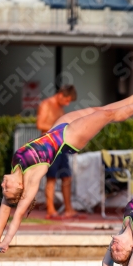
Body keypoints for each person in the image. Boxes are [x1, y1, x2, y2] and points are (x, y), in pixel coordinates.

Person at [0, 91, 133, 254]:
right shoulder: (32, 177)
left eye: (3, 187)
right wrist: (6, 242)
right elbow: (17, 214)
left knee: (100, 109)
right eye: (7, 188)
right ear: (20, 186)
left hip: (57, 127)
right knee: (108, 115)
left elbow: (4, 210)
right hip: (69, 137)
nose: (2, 184)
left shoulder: (15, 168)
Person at [37, 85, 78, 219]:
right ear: (61, 95)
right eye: (66, 100)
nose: (67, 104)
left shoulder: (61, 109)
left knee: (67, 176)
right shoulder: (46, 104)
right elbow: (40, 124)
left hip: (61, 146)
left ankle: (68, 209)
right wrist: (57, 129)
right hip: (49, 146)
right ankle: (50, 209)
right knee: (51, 177)